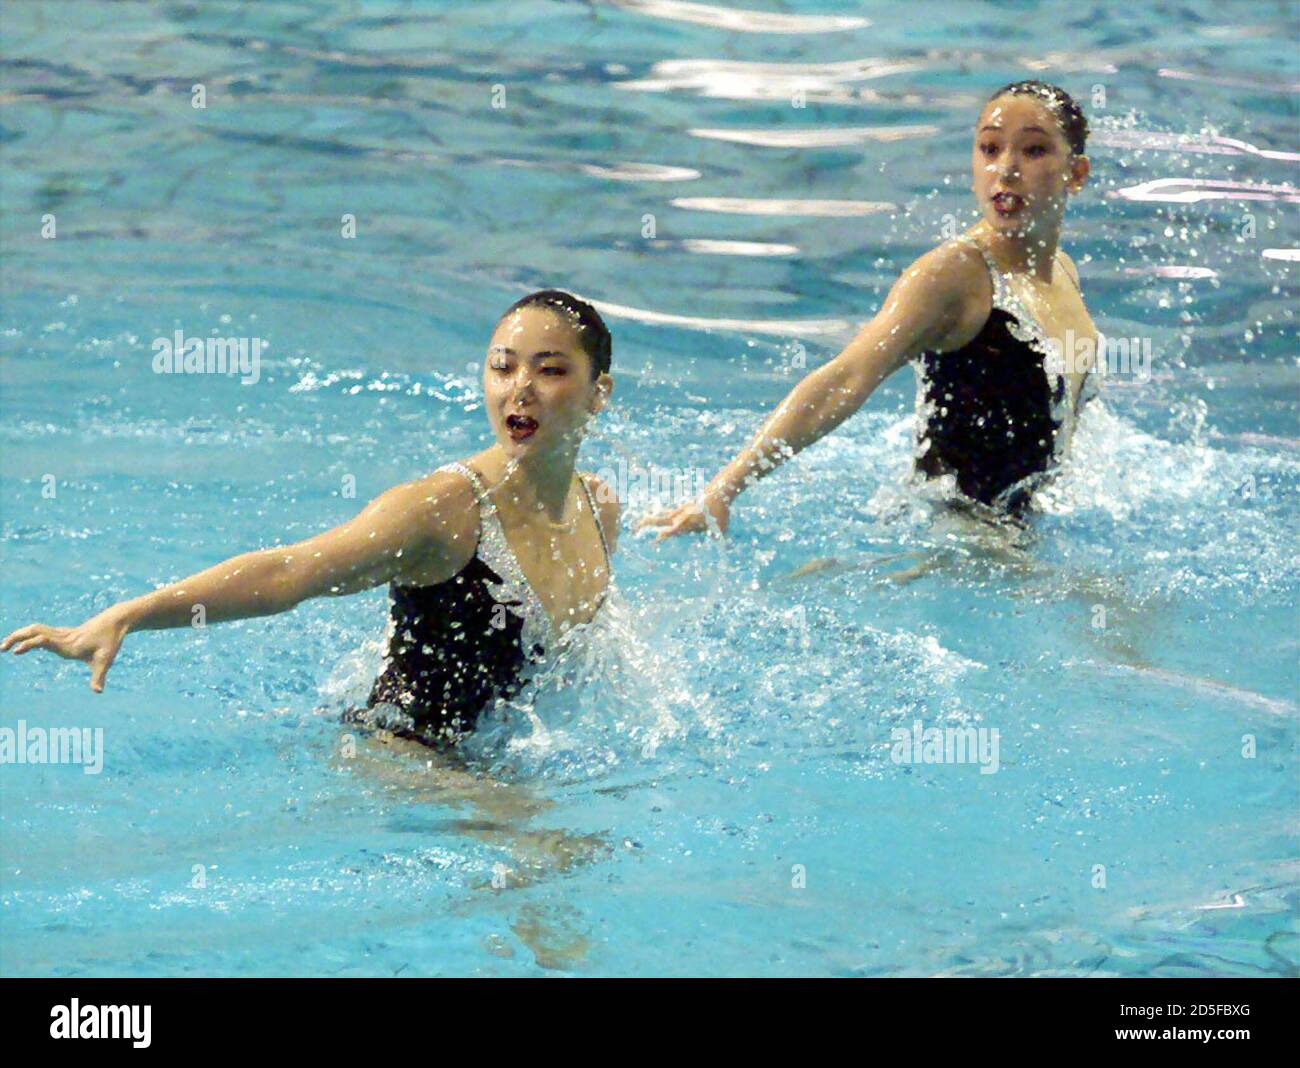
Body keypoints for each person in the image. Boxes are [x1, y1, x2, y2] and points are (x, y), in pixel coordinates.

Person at [2, 289, 620, 748]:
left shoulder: (600, 511)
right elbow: (287, 573)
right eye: (503, 365)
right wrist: (127, 616)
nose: (520, 388)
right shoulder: (444, 510)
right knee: (553, 851)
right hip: (400, 765)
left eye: (551, 369)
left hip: (495, 766)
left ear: (599, 392)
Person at [641, 80, 1102, 539]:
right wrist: (724, 490)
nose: (1006, 169)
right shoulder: (955, 275)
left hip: (1019, 533)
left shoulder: (1063, 272)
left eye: (1034, 151)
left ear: (1076, 174)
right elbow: (846, 376)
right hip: (952, 538)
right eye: (989, 148)